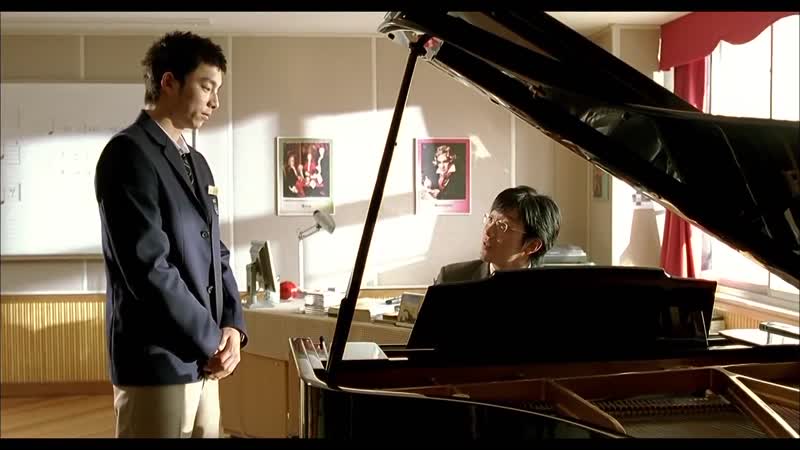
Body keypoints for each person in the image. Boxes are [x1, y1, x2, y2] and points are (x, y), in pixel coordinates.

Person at [94, 31, 247, 438]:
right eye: (206, 86)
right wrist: (211, 339)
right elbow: (149, 269)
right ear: (169, 82)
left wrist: (233, 326)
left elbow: (217, 252)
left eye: (217, 90)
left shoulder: (198, 162)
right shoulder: (127, 153)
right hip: (157, 362)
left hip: (205, 362)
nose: (215, 102)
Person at [434, 185, 561, 284]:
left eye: (502, 226)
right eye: (490, 219)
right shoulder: (452, 278)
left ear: (532, 245)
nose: (488, 231)